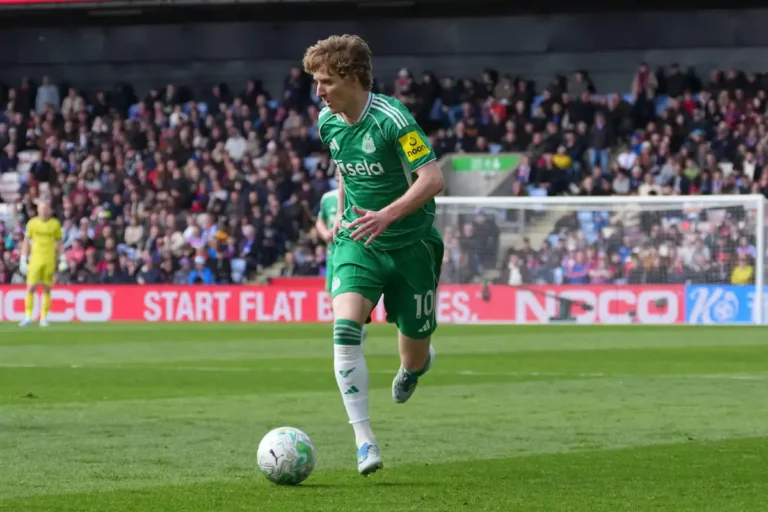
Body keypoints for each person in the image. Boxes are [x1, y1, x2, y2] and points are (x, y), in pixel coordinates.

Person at [303, 34, 445, 476]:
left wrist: (387, 214)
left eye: (326, 81)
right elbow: (345, 170)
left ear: (352, 77)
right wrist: (345, 214)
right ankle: (364, 441)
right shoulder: (328, 122)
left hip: (412, 245)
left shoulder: (392, 119)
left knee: (413, 354)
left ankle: (416, 366)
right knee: (344, 329)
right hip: (358, 243)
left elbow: (433, 178)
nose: (319, 91)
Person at [316, 184, 368, 343]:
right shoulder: (327, 198)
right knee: (331, 300)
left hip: (351, 251)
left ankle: (352, 328)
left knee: (350, 294)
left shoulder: (357, 192)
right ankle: (353, 328)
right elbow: (320, 221)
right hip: (332, 253)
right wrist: (325, 233)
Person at [19, 201, 64, 327]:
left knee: (47, 288)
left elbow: (59, 242)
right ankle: (28, 316)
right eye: (41, 209)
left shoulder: (55, 224)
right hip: (35, 260)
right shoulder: (32, 223)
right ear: (38, 210)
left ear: (49, 210)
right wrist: (23, 258)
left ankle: (43, 317)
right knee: (31, 287)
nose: (44, 211)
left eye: (46, 209)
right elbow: (26, 242)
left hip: (49, 260)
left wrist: (63, 258)